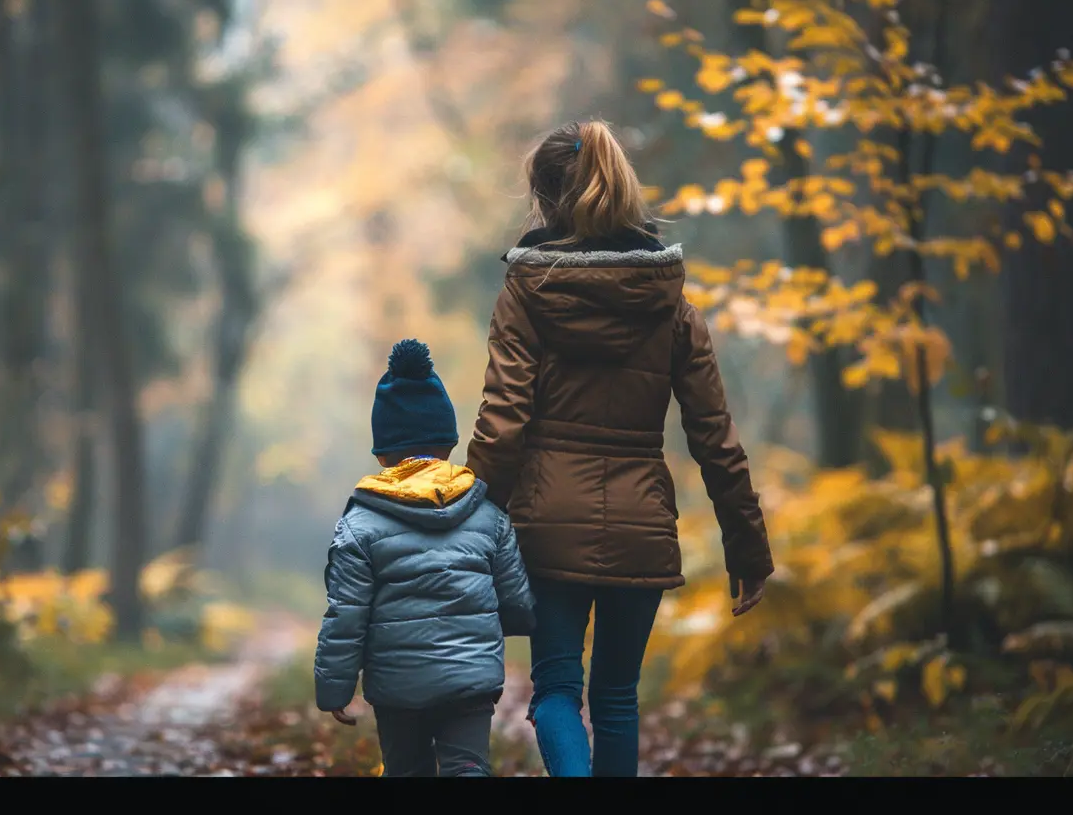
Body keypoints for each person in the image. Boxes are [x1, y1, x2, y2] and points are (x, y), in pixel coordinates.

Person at [465, 119, 775, 778]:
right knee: (617, 698)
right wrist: (747, 546)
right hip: (642, 524)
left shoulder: (526, 294)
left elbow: (502, 421)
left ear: (546, 199)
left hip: (547, 525)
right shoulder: (671, 305)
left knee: (554, 691)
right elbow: (715, 438)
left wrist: (467, 521)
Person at [314, 338, 537, 777]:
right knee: (467, 766)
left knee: (407, 770)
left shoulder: (360, 526)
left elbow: (346, 616)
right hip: (470, 681)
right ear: (449, 443)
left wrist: (334, 689)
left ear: (381, 454)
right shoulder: (489, 515)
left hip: (398, 687)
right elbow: (520, 607)